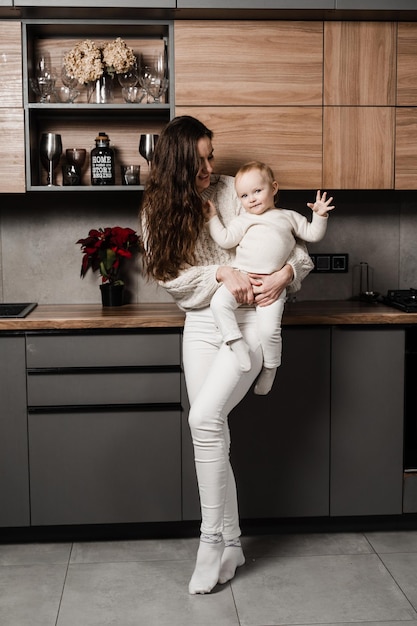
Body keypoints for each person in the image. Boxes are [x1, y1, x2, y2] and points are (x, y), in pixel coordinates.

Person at [141, 115, 313, 595]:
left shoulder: (229, 190)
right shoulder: (156, 208)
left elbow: (294, 246)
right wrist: (219, 275)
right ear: (177, 161)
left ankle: (210, 542)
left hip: (251, 322)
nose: (211, 166)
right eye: (201, 159)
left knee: (203, 421)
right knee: (212, 431)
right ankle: (233, 544)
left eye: (211, 156)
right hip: (201, 323)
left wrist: (287, 275)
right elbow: (168, 277)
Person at [205, 160, 335, 394]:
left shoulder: (289, 217)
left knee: (269, 331)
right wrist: (212, 217)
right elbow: (225, 239)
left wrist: (320, 215)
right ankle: (235, 343)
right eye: (244, 196)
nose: (252, 199)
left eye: (257, 191)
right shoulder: (243, 220)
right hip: (242, 277)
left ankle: (270, 368)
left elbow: (313, 234)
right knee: (218, 304)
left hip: (272, 285)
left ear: (273, 188)